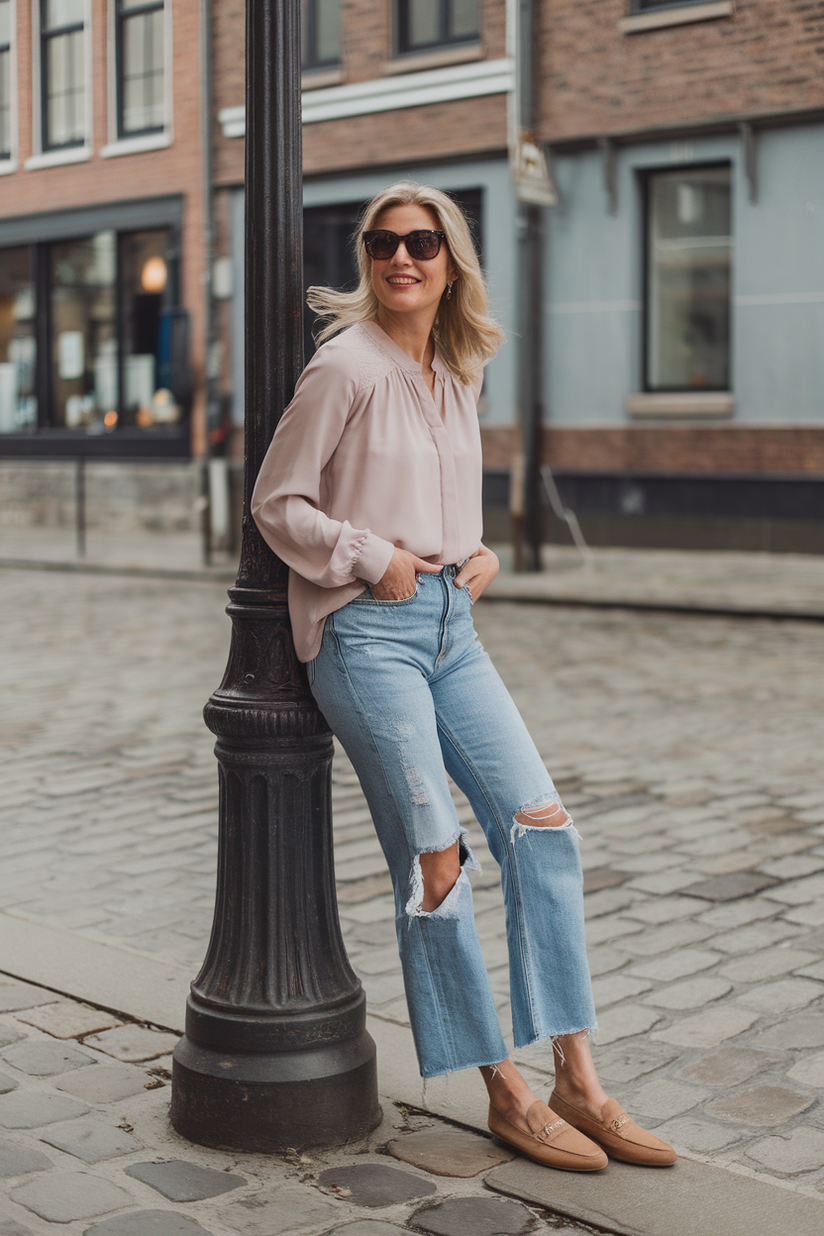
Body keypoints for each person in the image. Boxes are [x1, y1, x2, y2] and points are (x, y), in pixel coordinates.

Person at [251, 182, 676, 1172]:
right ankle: (504, 1090)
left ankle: (580, 1078)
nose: (401, 258)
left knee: (541, 829)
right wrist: (366, 555)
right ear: (367, 257)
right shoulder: (341, 368)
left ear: (450, 264)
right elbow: (279, 502)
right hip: (369, 638)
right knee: (436, 866)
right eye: (384, 243)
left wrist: (475, 553)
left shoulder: (455, 367)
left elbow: (444, 501)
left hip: (451, 630)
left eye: (422, 244)